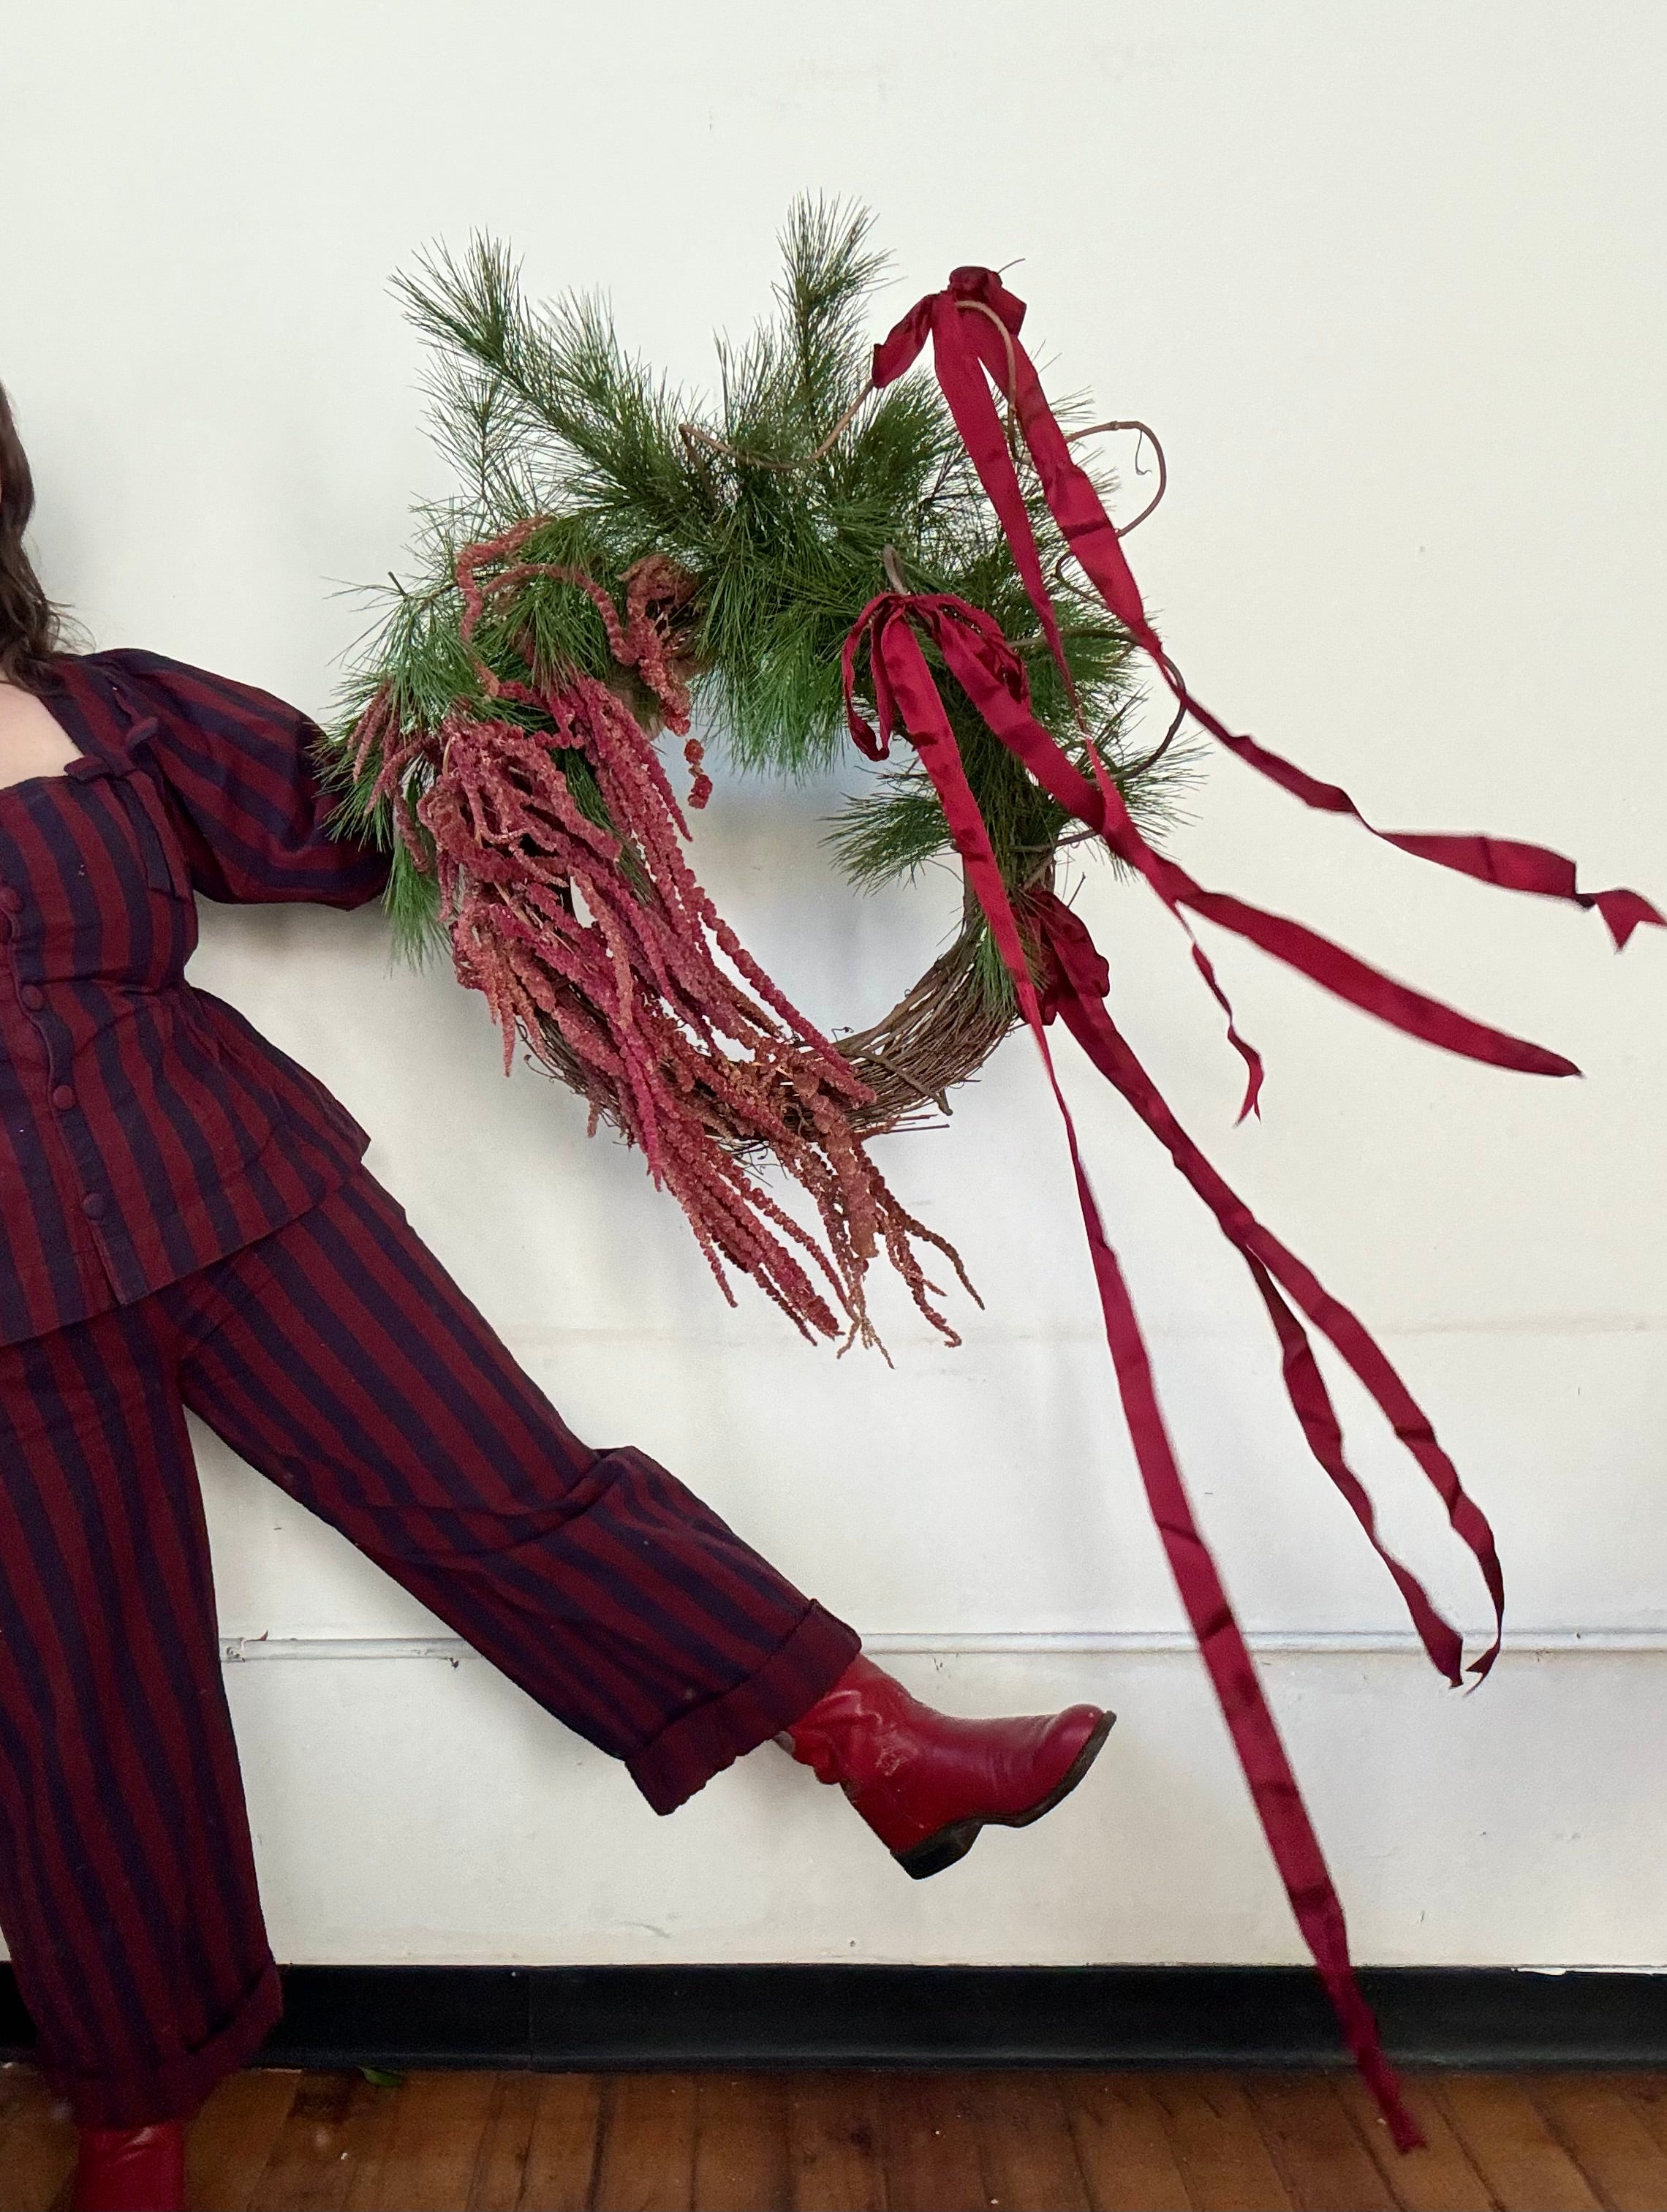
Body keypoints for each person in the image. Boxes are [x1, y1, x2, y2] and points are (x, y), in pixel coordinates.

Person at [0, 385, 1113, 2212]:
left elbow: (359, 839)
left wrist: (525, 681)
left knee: (508, 1488)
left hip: (240, 1191)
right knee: (78, 1704)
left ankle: (872, 1741)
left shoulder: (110, 715)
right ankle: (132, 2122)